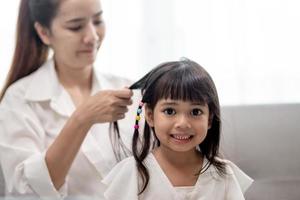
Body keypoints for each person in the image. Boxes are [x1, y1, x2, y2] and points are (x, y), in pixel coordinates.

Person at [0, 0, 138, 199]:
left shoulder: (130, 89)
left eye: (98, 21)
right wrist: (82, 119)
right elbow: (24, 192)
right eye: (76, 27)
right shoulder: (19, 102)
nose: (92, 36)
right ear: (44, 33)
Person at [102, 58, 253, 200]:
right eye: (170, 111)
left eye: (195, 112)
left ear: (209, 119)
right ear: (150, 115)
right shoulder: (133, 173)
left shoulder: (223, 174)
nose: (182, 123)